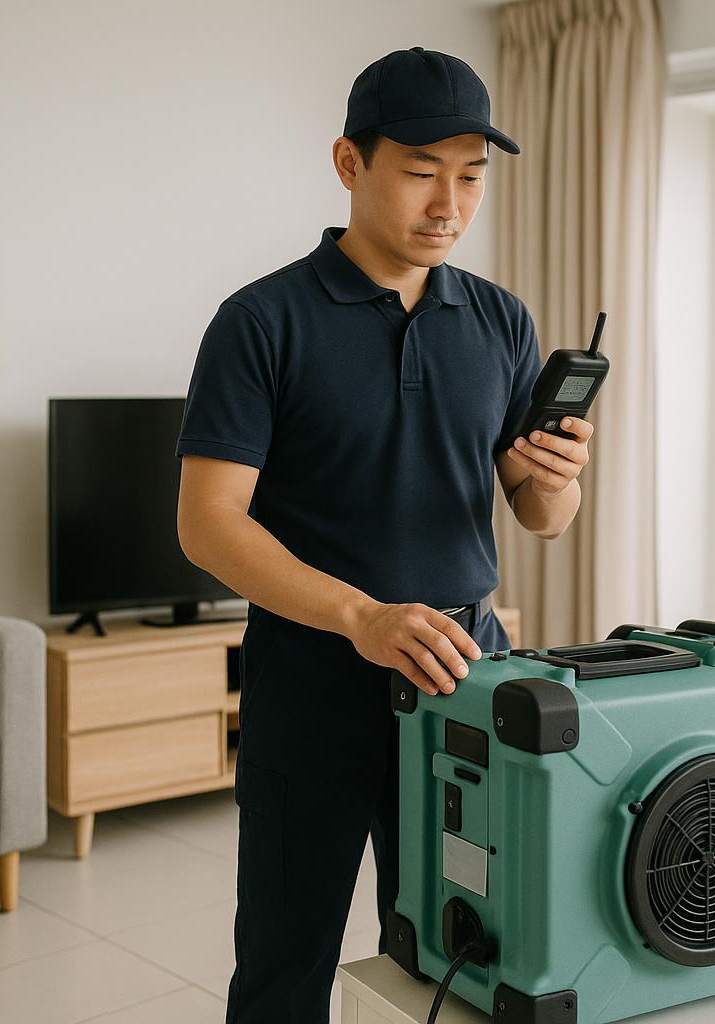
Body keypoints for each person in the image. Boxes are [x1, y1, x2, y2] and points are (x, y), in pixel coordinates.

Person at [174, 45, 594, 1023]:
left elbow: (540, 516)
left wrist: (556, 485)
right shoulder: (260, 321)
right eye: (420, 172)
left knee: (457, 962)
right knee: (285, 967)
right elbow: (206, 524)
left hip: (464, 683)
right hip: (313, 682)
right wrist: (360, 615)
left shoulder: (501, 321)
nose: (449, 203)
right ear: (349, 163)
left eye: (472, 177)